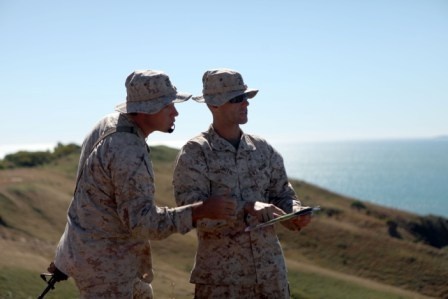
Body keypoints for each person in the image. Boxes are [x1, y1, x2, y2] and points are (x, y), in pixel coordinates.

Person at [48, 69, 237, 298]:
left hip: (97, 257)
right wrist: (201, 210)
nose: (175, 112)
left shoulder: (109, 124)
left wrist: (65, 256)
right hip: (107, 271)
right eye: (168, 105)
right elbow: (143, 224)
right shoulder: (127, 150)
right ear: (148, 109)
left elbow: (85, 199)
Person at [172, 68, 312, 298]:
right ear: (214, 104)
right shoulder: (196, 152)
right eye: (237, 99)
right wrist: (246, 207)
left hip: (271, 278)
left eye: (246, 97)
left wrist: (295, 212)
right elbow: (191, 212)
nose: (245, 103)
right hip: (223, 282)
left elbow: (282, 192)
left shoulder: (261, 148)